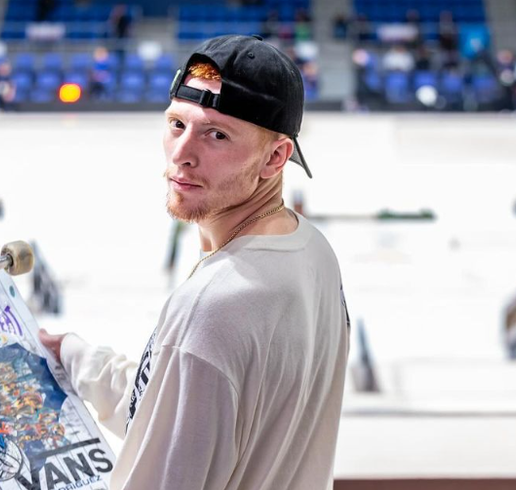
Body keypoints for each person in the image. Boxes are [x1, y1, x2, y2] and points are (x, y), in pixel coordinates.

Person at [39, 34, 350, 490]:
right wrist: (77, 357)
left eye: (217, 134)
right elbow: (181, 411)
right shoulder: (312, 250)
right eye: (177, 125)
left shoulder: (214, 304)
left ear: (276, 156)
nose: (182, 154)